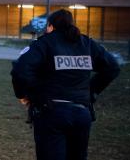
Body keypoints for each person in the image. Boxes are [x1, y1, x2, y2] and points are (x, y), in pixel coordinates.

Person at [11, 9, 120, 160]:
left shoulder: (44, 43)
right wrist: (91, 92)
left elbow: (20, 70)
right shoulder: (87, 43)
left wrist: (26, 95)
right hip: (81, 113)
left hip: (51, 113)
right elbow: (112, 67)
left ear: (50, 26)